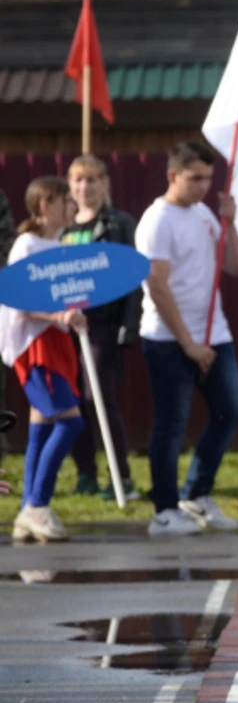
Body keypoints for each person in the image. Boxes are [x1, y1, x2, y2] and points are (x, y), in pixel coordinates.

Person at [135, 141, 238, 537]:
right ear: (173, 175)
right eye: (194, 178)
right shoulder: (156, 220)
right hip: (168, 339)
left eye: (208, 178)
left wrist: (229, 222)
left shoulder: (204, 215)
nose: (203, 186)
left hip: (215, 332)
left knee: (229, 411)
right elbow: (158, 286)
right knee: (171, 423)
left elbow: (235, 266)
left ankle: (196, 494)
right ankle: (164, 510)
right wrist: (187, 343)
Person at [4, 177, 86, 542]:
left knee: (40, 429)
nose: (72, 205)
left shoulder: (62, 245)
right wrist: (57, 316)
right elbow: (17, 298)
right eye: (64, 199)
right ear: (44, 206)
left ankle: (26, 514)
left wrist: (75, 313)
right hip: (36, 346)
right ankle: (38, 505)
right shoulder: (27, 245)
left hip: (59, 342)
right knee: (70, 423)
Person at [59, 154, 141, 501]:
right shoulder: (63, 228)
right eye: (78, 180)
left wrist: (127, 326)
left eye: (91, 179)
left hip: (102, 326)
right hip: (64, 330)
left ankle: (120, 477)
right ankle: (85, 475)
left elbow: (132, 280)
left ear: (104, 184)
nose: (85, 187)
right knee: (72, 401)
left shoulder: (117, 224)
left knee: (98, 399)